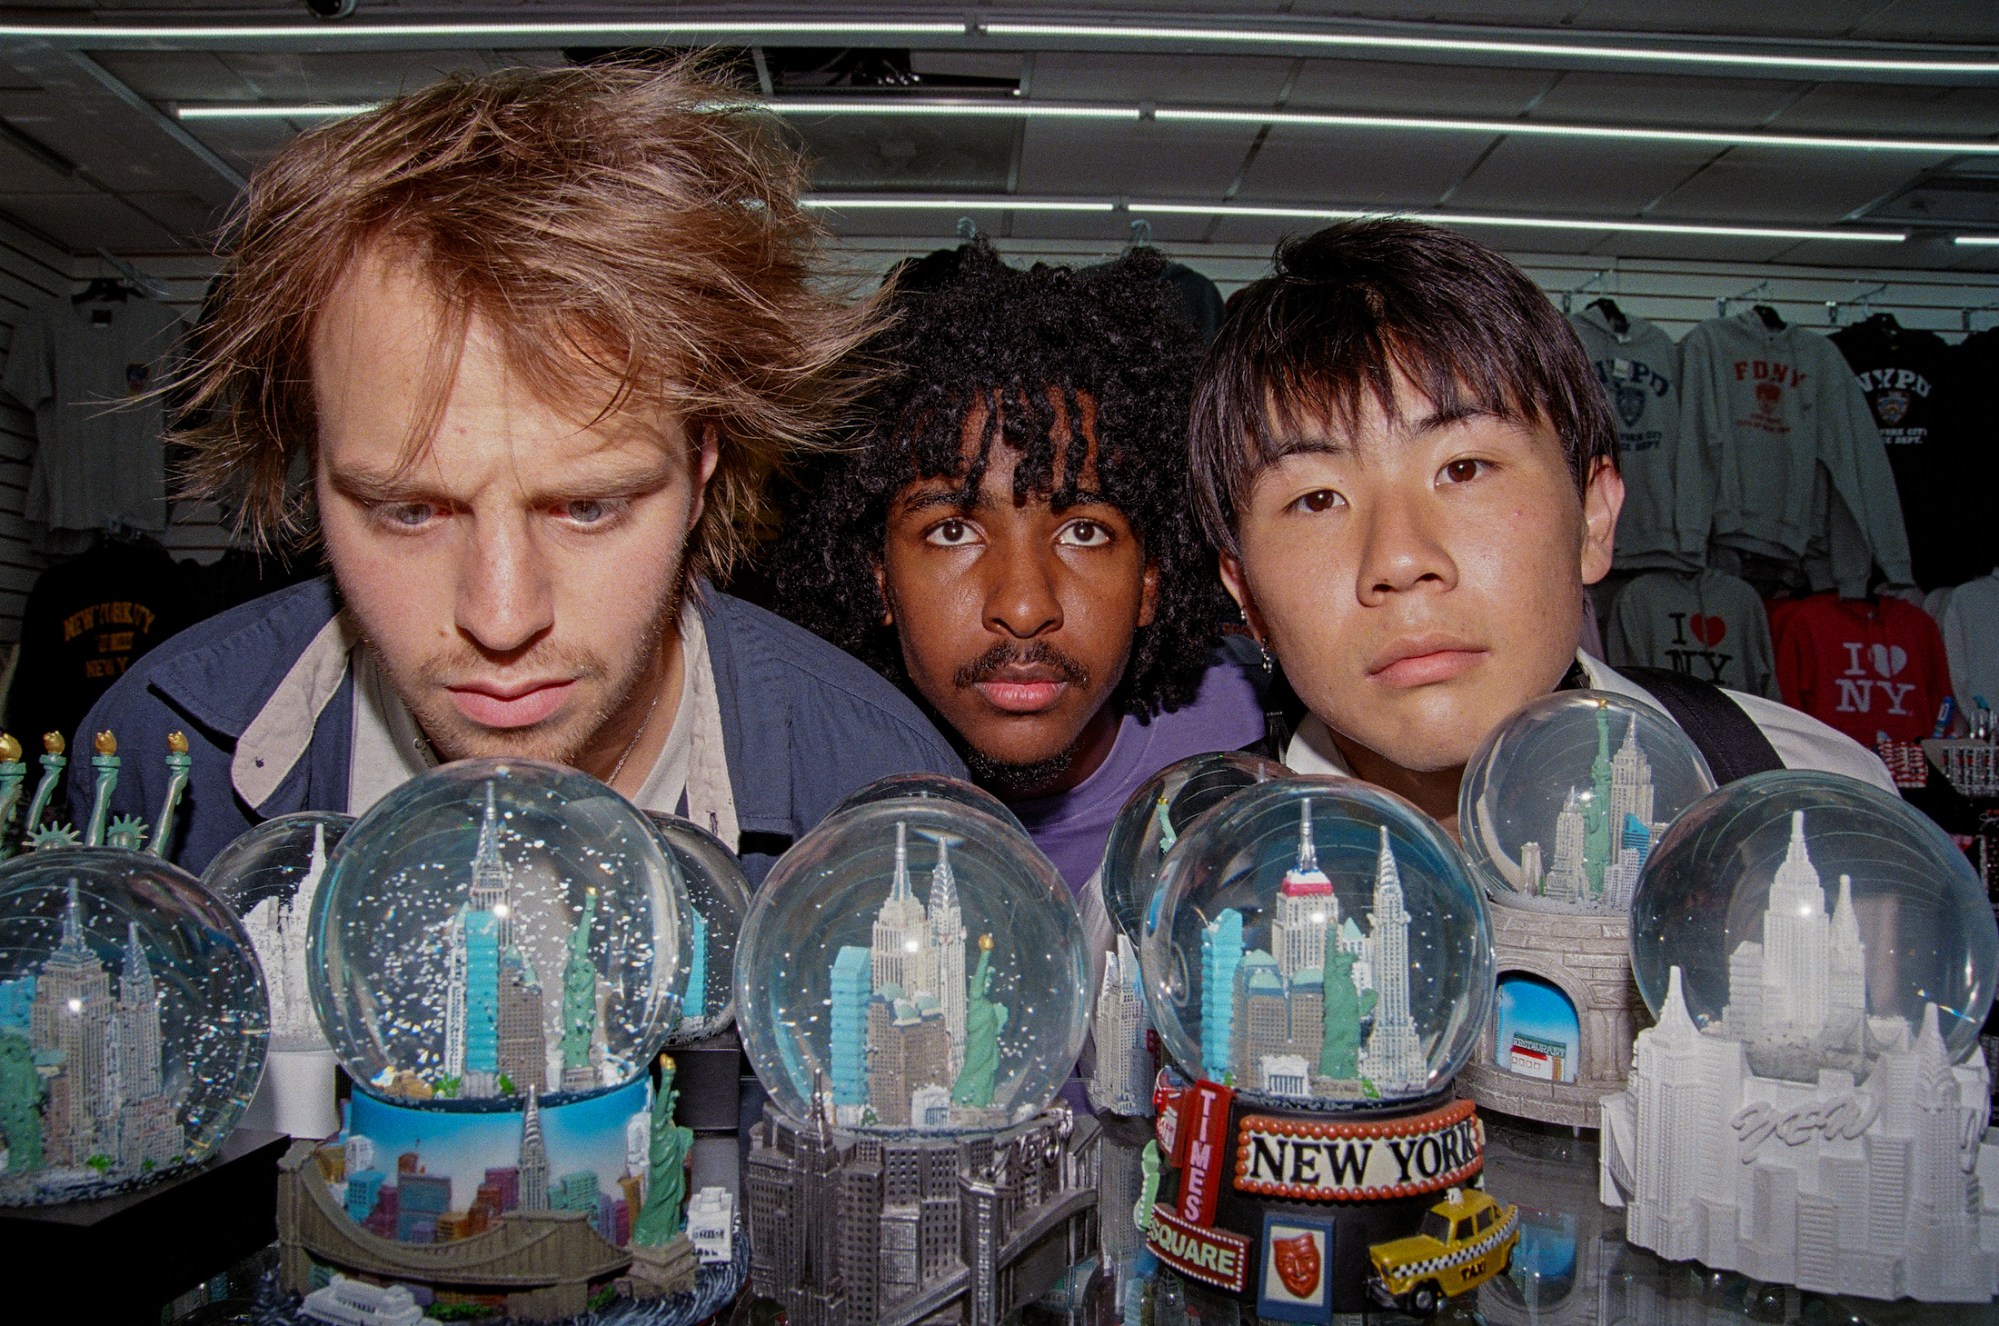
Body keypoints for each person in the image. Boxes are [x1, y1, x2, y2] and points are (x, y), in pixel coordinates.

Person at [75, 62, 963, 883]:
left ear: (702, 465)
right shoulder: (159, 760)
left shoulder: (885, 808)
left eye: (587, 507)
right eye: (408, 512)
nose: (501, 619)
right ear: (314, 469)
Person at [1188, 219, 1893, 820]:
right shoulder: (1170, 888)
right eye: (1316, 499)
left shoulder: (1808, 808)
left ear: (1592, 516)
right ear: (1244, 592)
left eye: (1462, 469)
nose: (1399, 559)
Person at [772, 243, 1264, 893]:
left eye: (1083, 532)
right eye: (952, 532)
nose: (1025, 607)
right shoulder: (799, 800)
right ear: (877, 576)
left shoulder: (1260, 747)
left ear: (1151, 578)